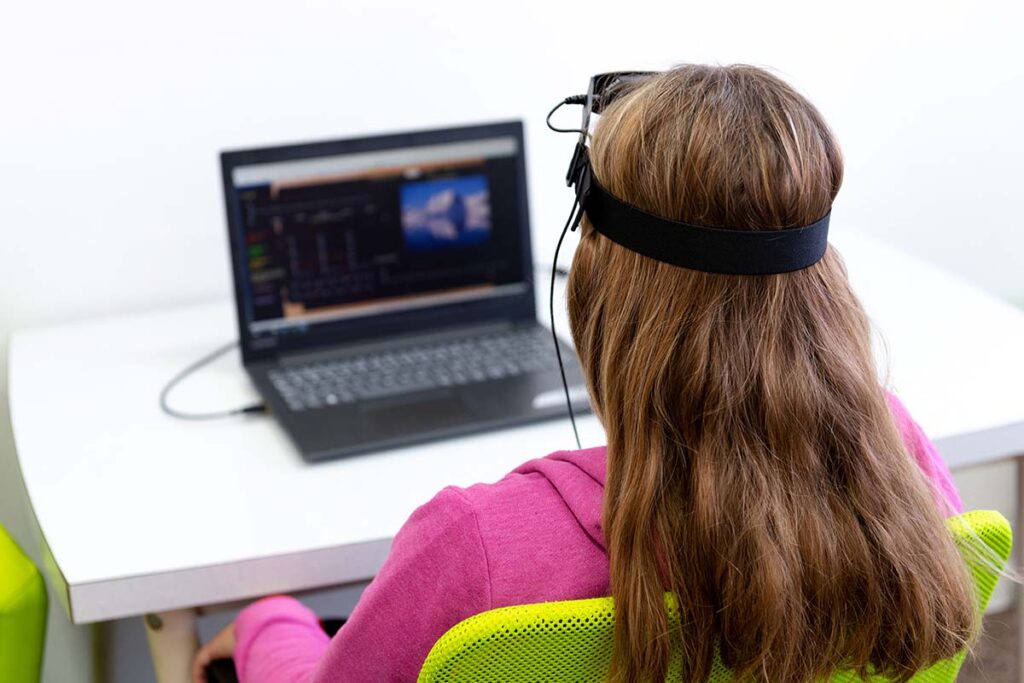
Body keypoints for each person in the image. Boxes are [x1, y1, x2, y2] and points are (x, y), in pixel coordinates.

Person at [192, 64, 975, 683]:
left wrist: (269, 621)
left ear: (598, 288)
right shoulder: (894, 459)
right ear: (822, 288)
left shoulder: (476, 545)